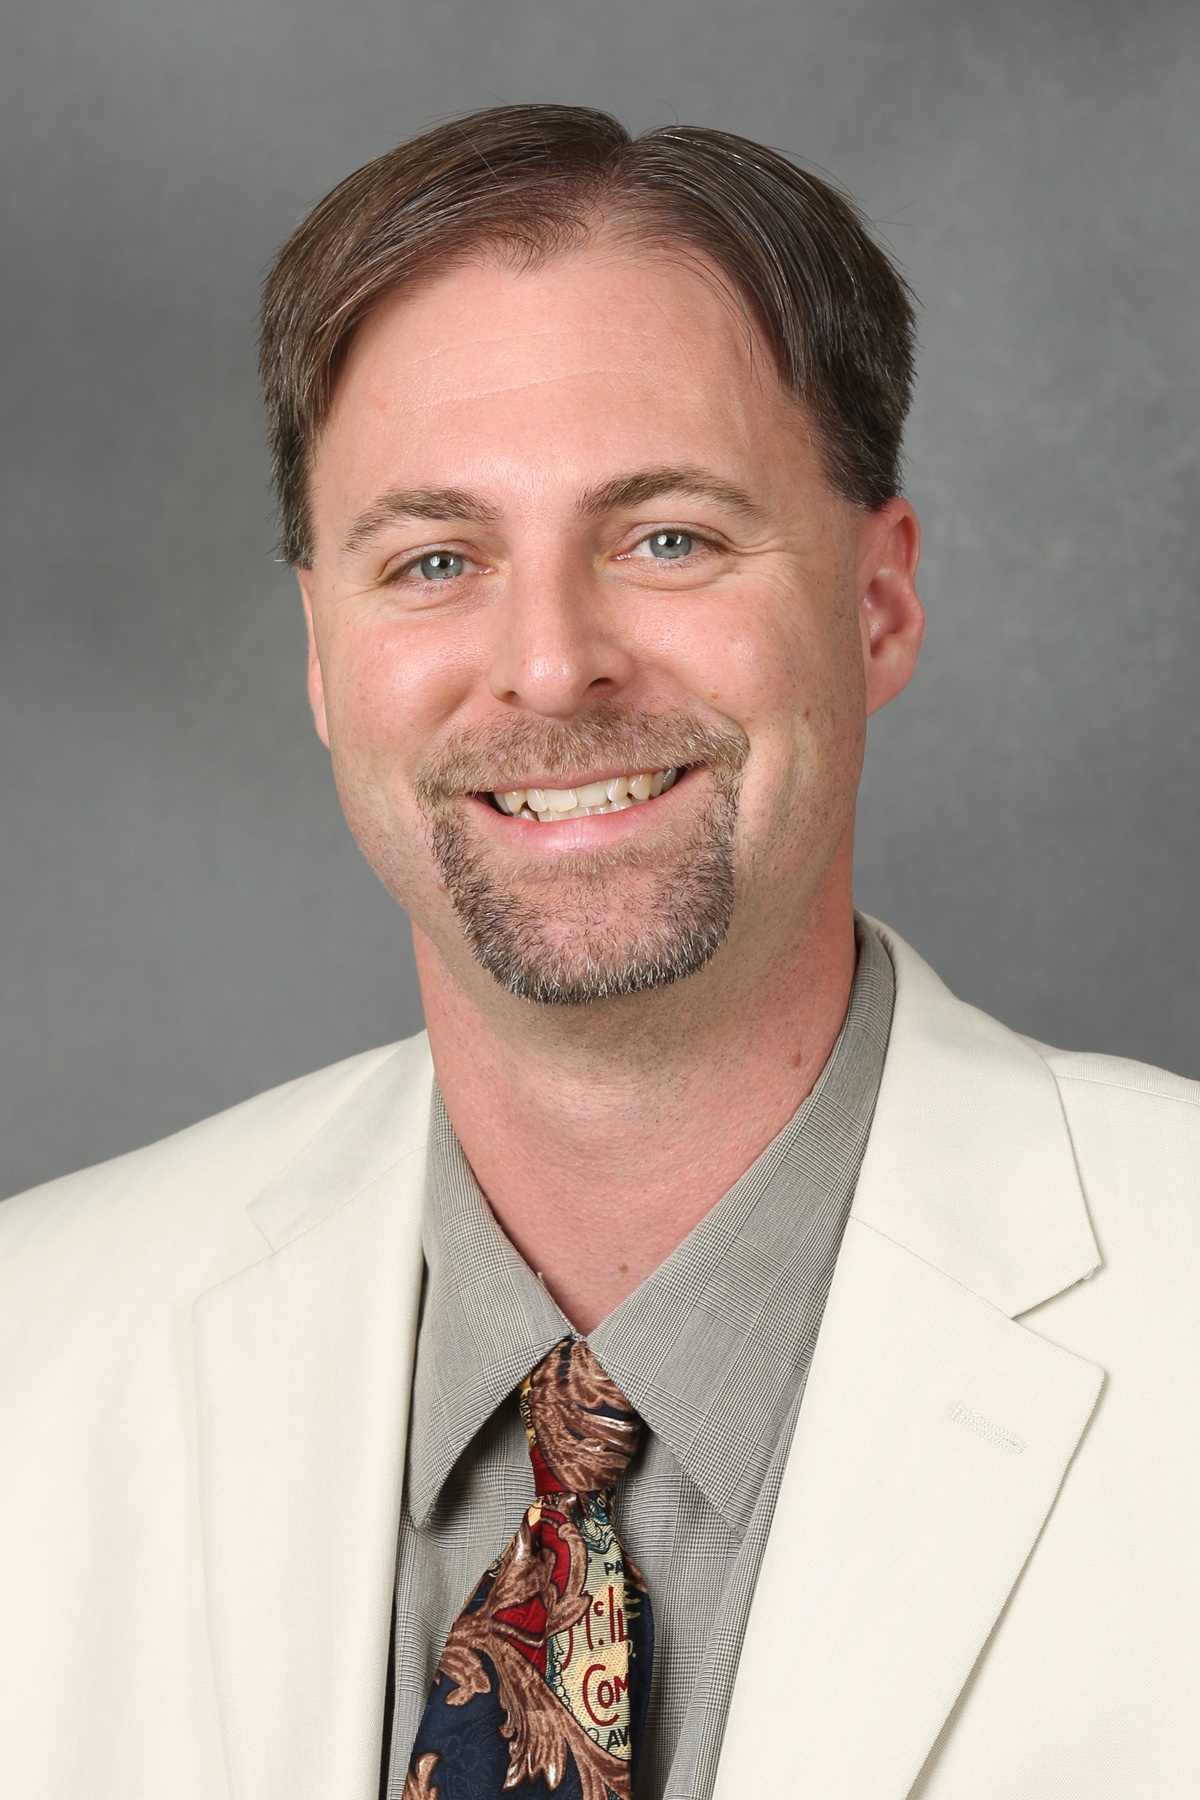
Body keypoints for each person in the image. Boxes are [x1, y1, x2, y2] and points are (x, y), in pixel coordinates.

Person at [0, 103, 1196, 1800]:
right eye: (435, 560)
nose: (553, 664)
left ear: (878, 603)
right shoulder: (33, 1355)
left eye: (668, 539)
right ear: (323, 655)